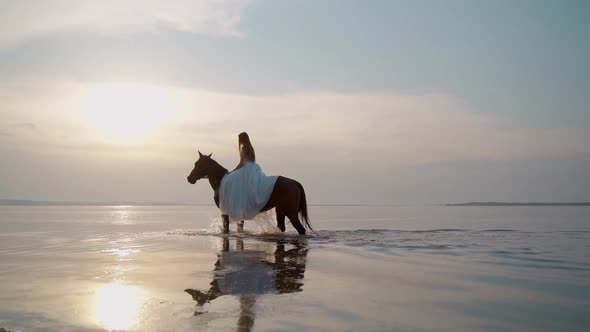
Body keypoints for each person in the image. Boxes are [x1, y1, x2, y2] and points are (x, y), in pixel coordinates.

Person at [219, 132, 278, 223]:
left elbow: (242, 163)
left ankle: (236, 206)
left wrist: (232, 171)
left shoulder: (244, 148)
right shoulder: (251, 147)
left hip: (246, 168)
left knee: (229, 180)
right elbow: (252, 160)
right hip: (253, 167)